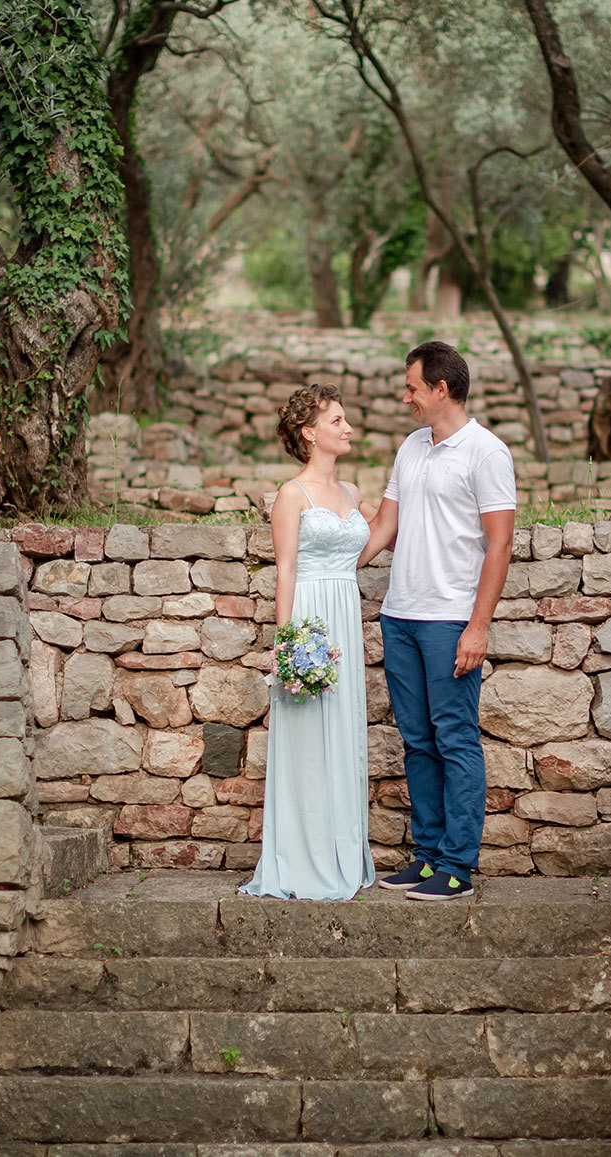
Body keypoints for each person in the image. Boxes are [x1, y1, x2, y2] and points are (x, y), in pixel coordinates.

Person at [358, 340, 516, 901]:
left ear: (441, 389)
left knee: (455, 740)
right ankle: (426, 858)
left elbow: (499, 545)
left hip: (450, 620)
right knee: (418, 742)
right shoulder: (410, 447)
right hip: (400, 616)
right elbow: (385, 526)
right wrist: (333, 567)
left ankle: (457, 866)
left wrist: (479, 626)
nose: (407, 399)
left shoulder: (486, 453)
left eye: (412, 389)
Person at [240, 384, 378, 900]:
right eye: (336, 420)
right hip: (311, 619)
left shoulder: (353, 493)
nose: (348, 428)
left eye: (345, 419)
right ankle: (302, 859)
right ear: (310, 433)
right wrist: (288, 644)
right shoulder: (292, 494)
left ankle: (341, 851)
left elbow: (384, 528)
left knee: (343, 731)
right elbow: (286, 570)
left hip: (345, 609)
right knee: (307, 740)